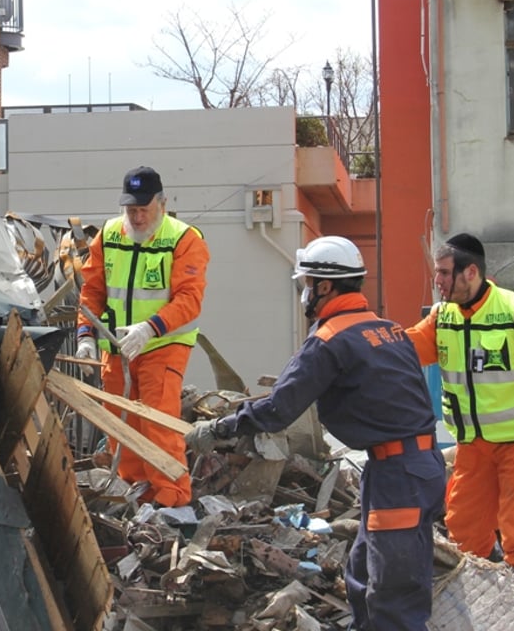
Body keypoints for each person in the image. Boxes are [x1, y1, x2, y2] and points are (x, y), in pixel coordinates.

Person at [187, 236, 445, 631]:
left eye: (307, 284)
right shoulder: (388, 330)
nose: (304, 293)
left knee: (394, 596)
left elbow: (278, 409)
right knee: (362, 573)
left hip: (397, 474)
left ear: (325, 287)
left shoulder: (329, 341)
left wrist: (219, 428)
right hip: (415, 467)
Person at [406, 232, 514, 579]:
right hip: (473, 448)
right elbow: (408, 348)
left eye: (444, 272)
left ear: (470, 272)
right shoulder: (443, 316)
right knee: (464, 530)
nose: (437, 280)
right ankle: (484, 587)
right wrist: (369, 338)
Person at [75, 165, 209, 507]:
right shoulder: (108, 235)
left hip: (163, 345)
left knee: (158, 424)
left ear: (161, 204)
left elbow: (189, 299)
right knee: (120, 424)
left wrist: (150, 329)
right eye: (130, 209)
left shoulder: (184, 239)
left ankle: (173, 503)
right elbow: (92, 290)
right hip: (117, 348)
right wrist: (85, 335)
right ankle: (135, 495)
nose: (135, 217)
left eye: (142, 209)